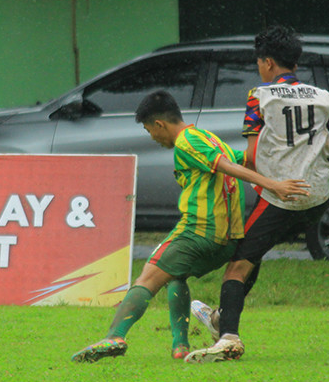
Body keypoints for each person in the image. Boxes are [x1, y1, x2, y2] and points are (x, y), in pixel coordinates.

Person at [71, 90, 310, 363]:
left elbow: (226, 166)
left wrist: (272, 185)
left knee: (148, 277)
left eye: (150, 130)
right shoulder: (210, 138)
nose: (152, 137)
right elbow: (245, 159)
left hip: (199, 232)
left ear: (160, 124)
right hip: (227, 240)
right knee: (176, 275)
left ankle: (115, 335)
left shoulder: (187, 141)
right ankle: (180, 347)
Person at [185, 25, 329, 363]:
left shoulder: (260, 96)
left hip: (280, 196)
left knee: (237, 265)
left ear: (267, 63)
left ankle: (228, 336)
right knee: (255, 252)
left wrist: (257, 180)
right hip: (318, 196)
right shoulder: (323, 97)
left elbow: (251, 155)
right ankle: (223, 316)